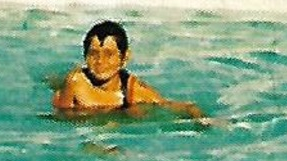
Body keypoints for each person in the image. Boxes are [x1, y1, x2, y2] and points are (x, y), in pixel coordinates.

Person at [52, 20, 204, 119]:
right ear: (85, 56)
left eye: (109, 54)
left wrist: (200, 118)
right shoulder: (77, 83)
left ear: (124, 58)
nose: (100, 62)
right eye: (93, 54)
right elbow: (62, 118)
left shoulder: (133, 91)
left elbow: (178, 106)